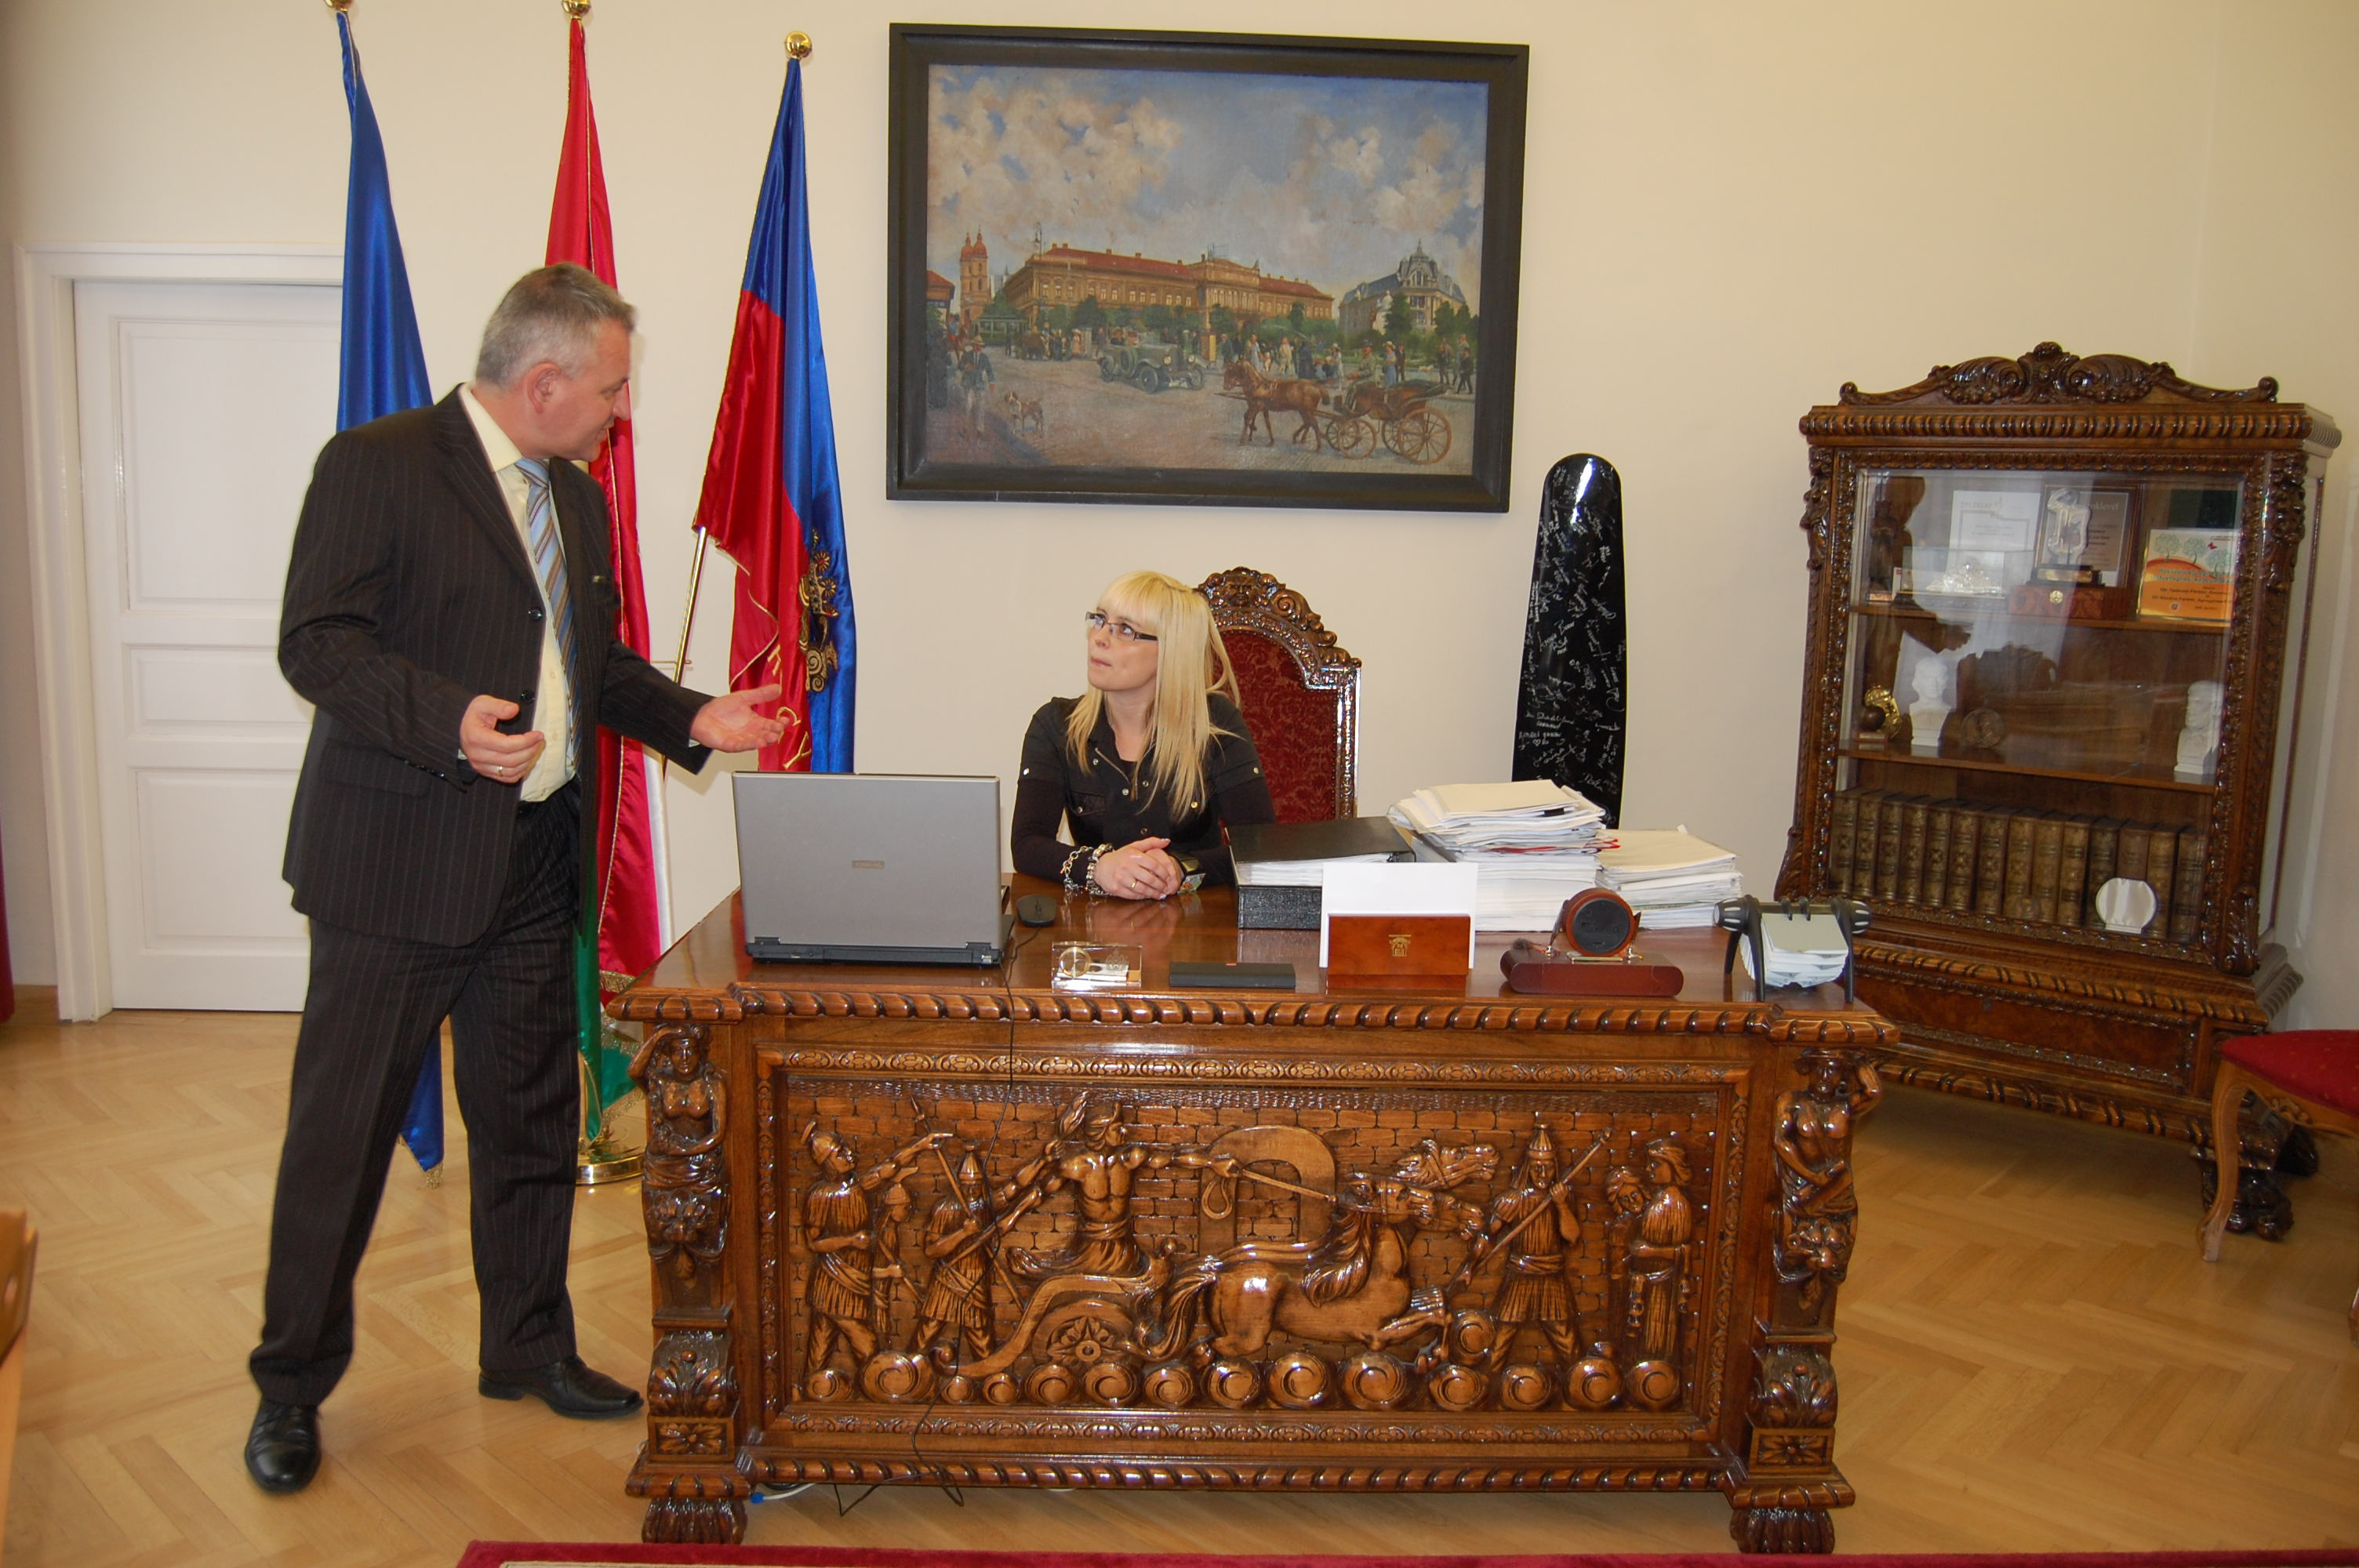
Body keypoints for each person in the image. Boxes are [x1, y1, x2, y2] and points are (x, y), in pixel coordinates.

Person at [245, 264, 786, 1494]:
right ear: (543, 383)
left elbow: (593, 668)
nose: (620, 413)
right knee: (342, 1138)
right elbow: (316, 642)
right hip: (396, 869)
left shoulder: (575, 500)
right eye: (611, 390)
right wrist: (447, 721)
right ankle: (290, 1386)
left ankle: (528, 1344)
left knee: (530, 1119)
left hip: (535, 868)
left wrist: (697, 716)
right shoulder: (378, 465)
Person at [1011, 570, 1276, 898]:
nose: (1099, 638)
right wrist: (1099, 867)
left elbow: (1260, 846)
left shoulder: (1214, 723)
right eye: (1100, 620)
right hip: (1091, 921)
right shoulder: (1055, 725)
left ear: (1172, 650)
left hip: (1196, 922)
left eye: (1125, 629)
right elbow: (1027, 845)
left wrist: (1183, 870)